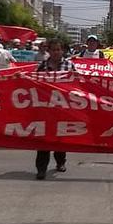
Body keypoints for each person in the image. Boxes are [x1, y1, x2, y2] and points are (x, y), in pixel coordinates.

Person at [34, 39, 75, 179]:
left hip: (62, 109)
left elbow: (78, 84)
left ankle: (60, 162)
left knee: (60, 139)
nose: (56, 52)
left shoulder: (69, 65)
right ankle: (41, 169)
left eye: (58, 49)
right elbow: (34, 83)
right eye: (53, 50)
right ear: (49, 51)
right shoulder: (42, 66)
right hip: (45, 109)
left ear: (62, 50)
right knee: (43, 140)